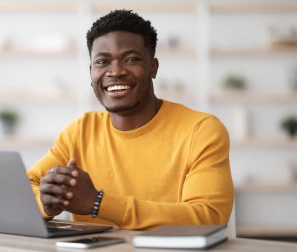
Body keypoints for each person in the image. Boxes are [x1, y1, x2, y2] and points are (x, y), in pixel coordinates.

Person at [27, 10, 234, 230]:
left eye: (131, 59)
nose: (115, 71)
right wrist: (46, 203)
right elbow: (23, 190)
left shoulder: (201, 131)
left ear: (153, 67)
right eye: (102, 61)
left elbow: (208, 217)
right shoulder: (80, 131)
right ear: (91, 72)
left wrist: (98, 203)